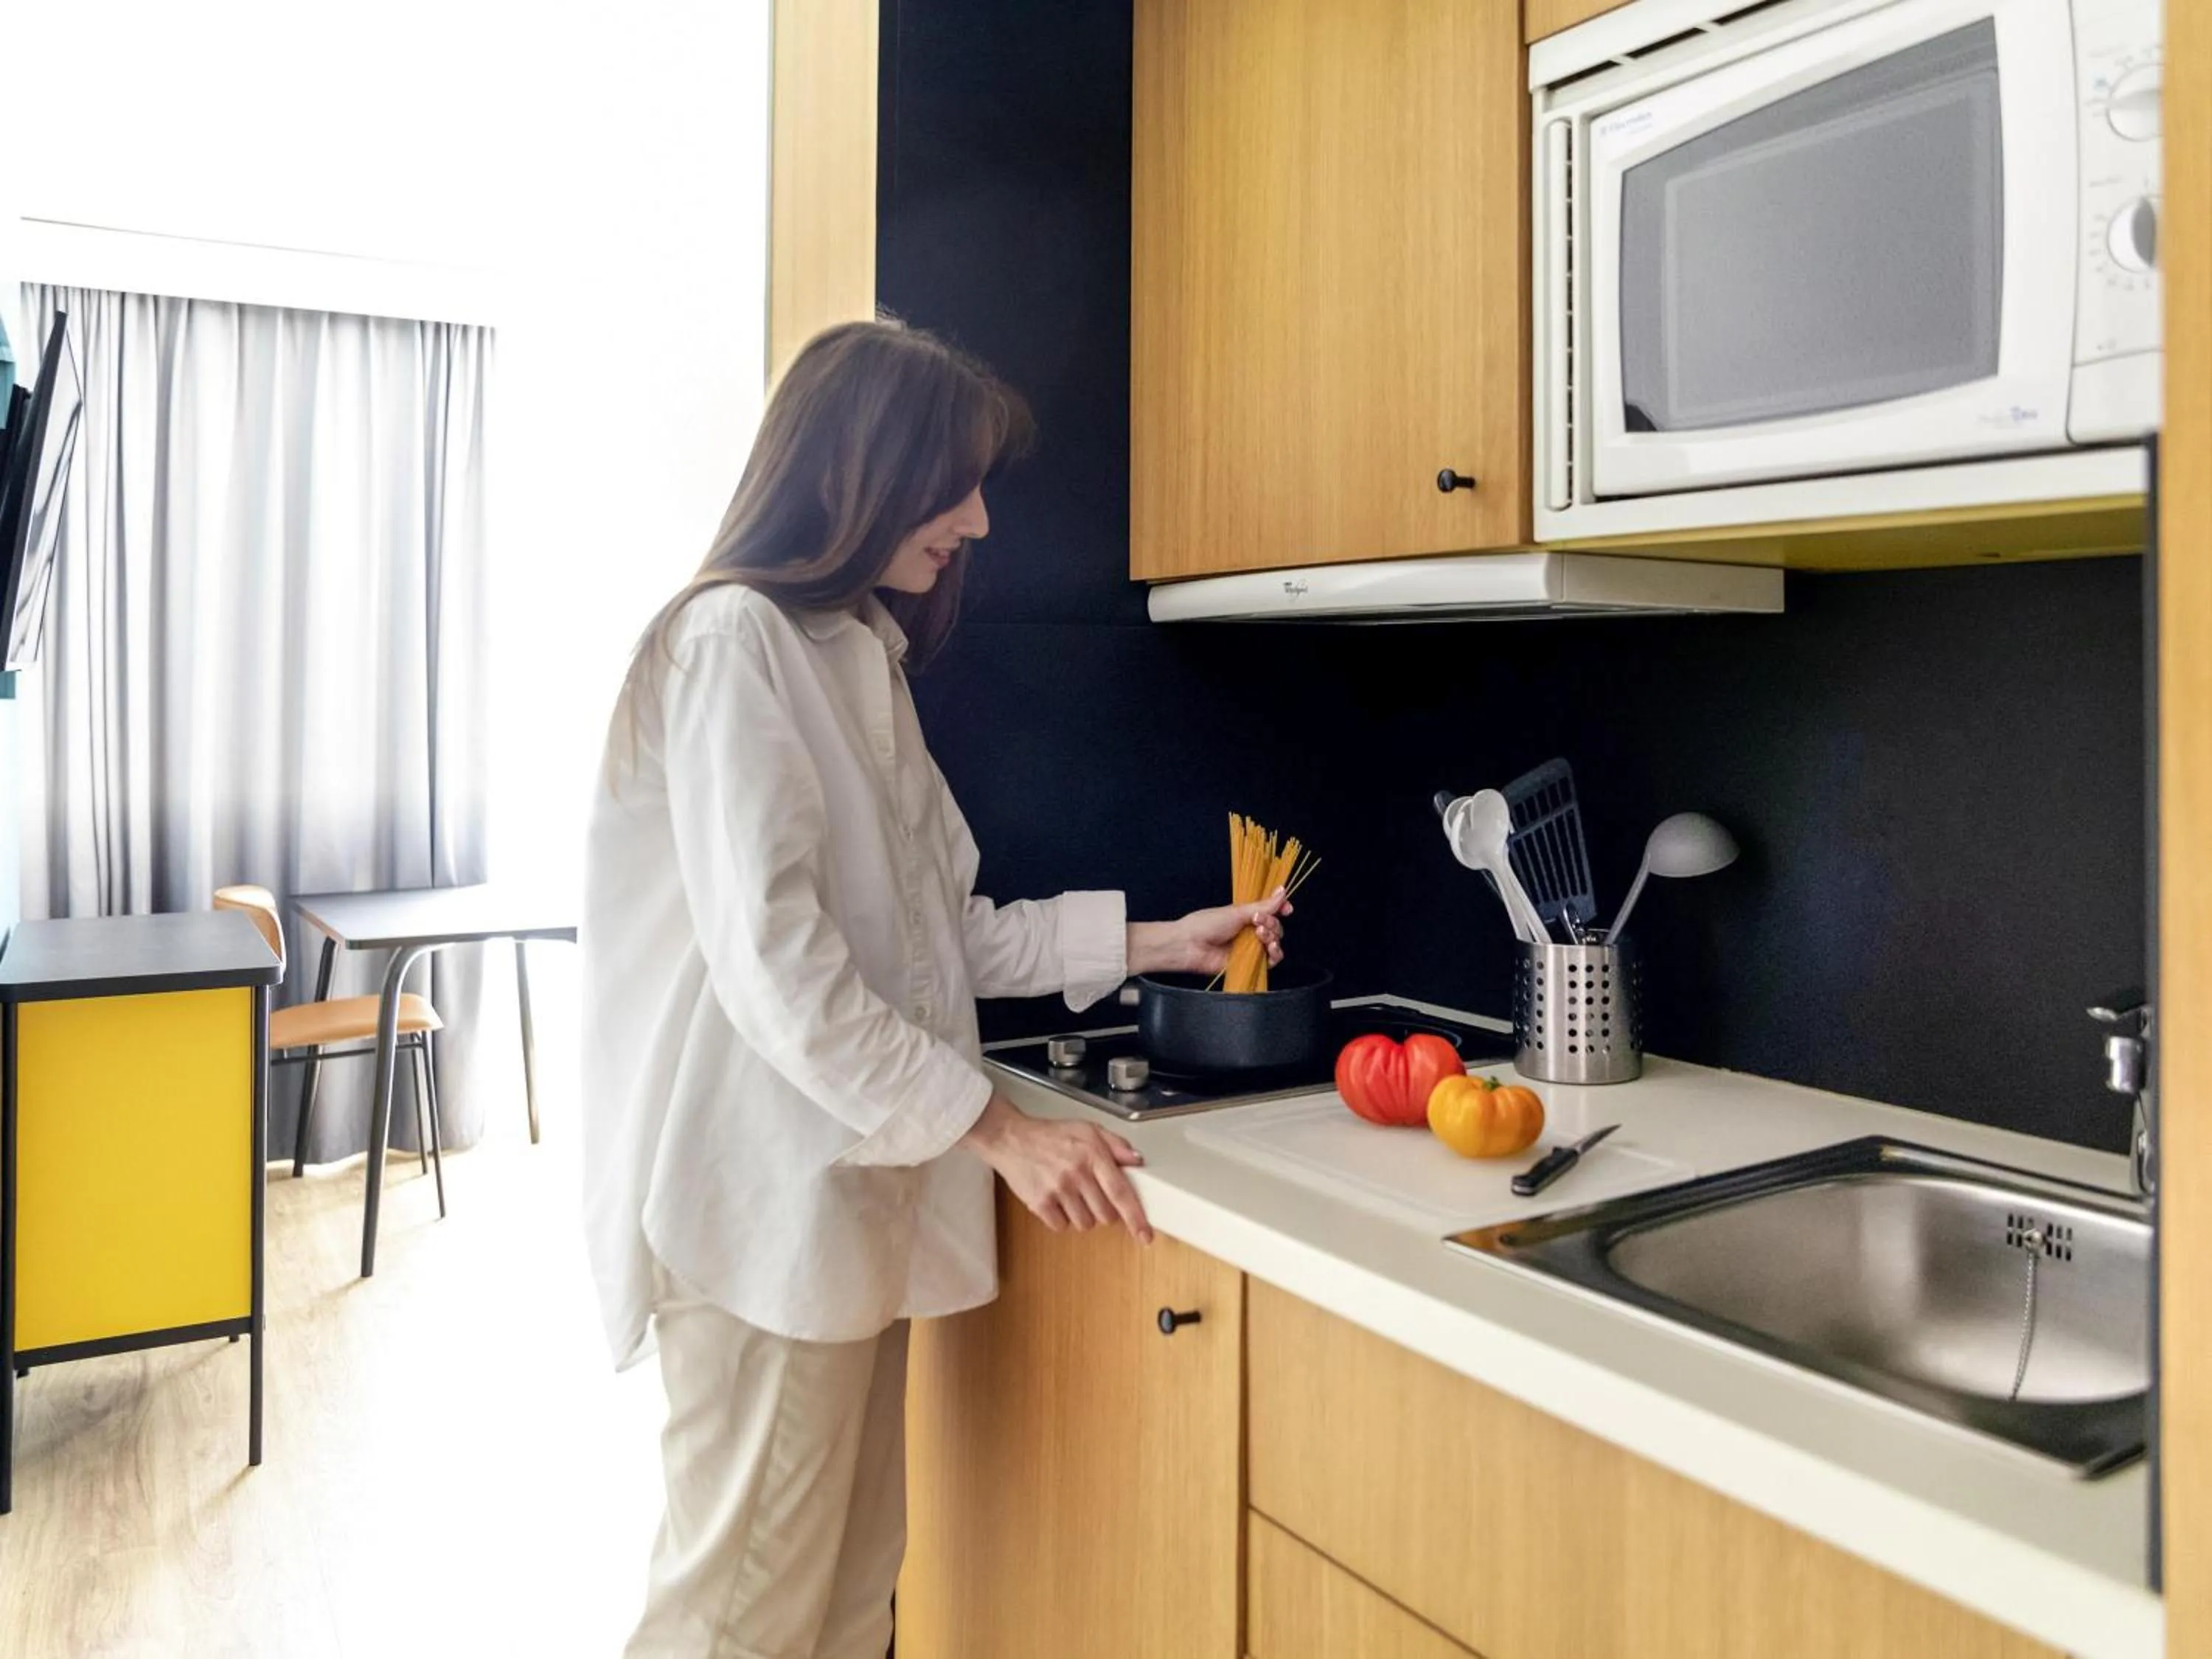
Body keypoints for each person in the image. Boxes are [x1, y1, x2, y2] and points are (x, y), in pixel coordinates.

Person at [581, 318, 1290, 1659]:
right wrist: (1005, 1131)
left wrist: (1158, 940)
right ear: (858, 467)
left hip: (842, 1203)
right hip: (759, 1216)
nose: (974, 517)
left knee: (849, 1598)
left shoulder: (853, 654)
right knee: (739, 1612)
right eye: (952, 480)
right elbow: (781, 971)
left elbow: (934, 937)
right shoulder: (734, 643)